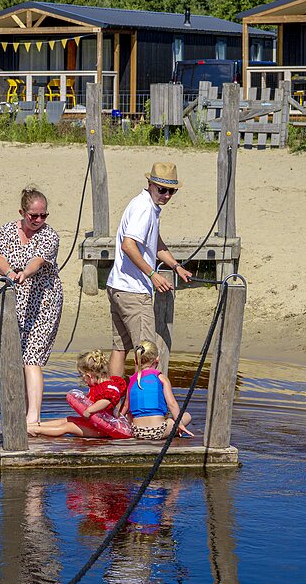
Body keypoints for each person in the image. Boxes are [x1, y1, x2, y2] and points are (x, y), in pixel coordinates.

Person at [106, 162, 192, 381]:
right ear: (150, 184)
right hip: (133, 293)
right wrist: (152, 274)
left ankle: (113, 404)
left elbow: (155, 243)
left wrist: (175, 265)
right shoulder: (145, 208)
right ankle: (143, 411)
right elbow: (128, 245)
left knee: (120, 348)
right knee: (146, 354)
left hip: (118, 287)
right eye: (161, 189)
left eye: (171, 190)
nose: (166, 195)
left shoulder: (146, 205)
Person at [0, 187, 64, 431]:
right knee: (18, 355)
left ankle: (32, 417)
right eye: (33, 215)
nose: (38, 220)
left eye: (43, 215)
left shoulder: (49, 236)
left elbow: (39, 261)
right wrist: (9, 273)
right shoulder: (6, 231)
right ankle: (24, 410)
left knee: (32, 356)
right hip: (16, 302)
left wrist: (25, 272)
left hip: (44, 300)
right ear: (22, 212)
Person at [31, 350, 128, 438]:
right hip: (93, 424)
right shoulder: (100, 386)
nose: (84, 381)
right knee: (68, 419)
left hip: (101, 430)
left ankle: (36, 430)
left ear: (88, 376)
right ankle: (36, 425)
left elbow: (106, 400)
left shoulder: (109, 388)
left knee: (68, 427)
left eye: (83, 377)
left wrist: (89, 411)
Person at [127, 339, 192, 440]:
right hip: (158, 431)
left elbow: (127, 406)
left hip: (137, 432)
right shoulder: (161, 378)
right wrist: (180, 424)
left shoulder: (132, 380)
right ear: (157, 359)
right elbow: (172, 404)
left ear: (136, 361)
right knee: (187, 416)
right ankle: (177, 428)